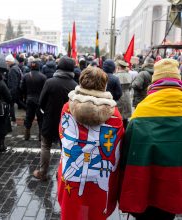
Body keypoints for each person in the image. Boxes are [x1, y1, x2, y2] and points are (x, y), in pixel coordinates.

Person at [58, 66, 124, 220]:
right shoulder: (115, 116)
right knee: (95, 210)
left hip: (73, 173)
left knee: (72, 209)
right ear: (104, 85)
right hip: (100, 173)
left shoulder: (68, 109)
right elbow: (116, 147)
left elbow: (62, 134)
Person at [119, 59, 182, 220]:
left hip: (145, 185)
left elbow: (126, 153)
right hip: (176, 186)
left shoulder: (142, 111)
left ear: (155, 82)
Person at [33, 56, 77, 180]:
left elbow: (41, 101)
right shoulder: (75, 85)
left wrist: (45, 112)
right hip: (68, 122)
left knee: (46, 146)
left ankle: (43, 172)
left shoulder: (50, 82)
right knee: (65, 148)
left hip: (50, 119)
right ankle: (62, 174)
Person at [21, 60, 46, 141]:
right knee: (40, 118)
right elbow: (45, 90)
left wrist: (25, 97)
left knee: (28, 117)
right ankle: (40, 136)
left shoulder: (26, 76)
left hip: (29, 99)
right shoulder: (43, 77)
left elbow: (22, 89)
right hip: (40, 100)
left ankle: (27, 134)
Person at [5, 54, 23, 125]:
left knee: (11, 105)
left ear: (10, 61)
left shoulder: (13, 69)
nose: (6, 63)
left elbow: (14, 82)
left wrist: (11, 92)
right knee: (18, 103)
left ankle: (13, 120)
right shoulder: (16, 67)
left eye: (7, 61)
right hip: (17, 90)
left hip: (14, 91)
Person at [115, 60, 132, 129]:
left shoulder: (116, 76)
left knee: (119, 116)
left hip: (119, 97)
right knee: (125, 117)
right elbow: (130, 87)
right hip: (127, 95)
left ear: (118, 67)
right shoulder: (128, 75)